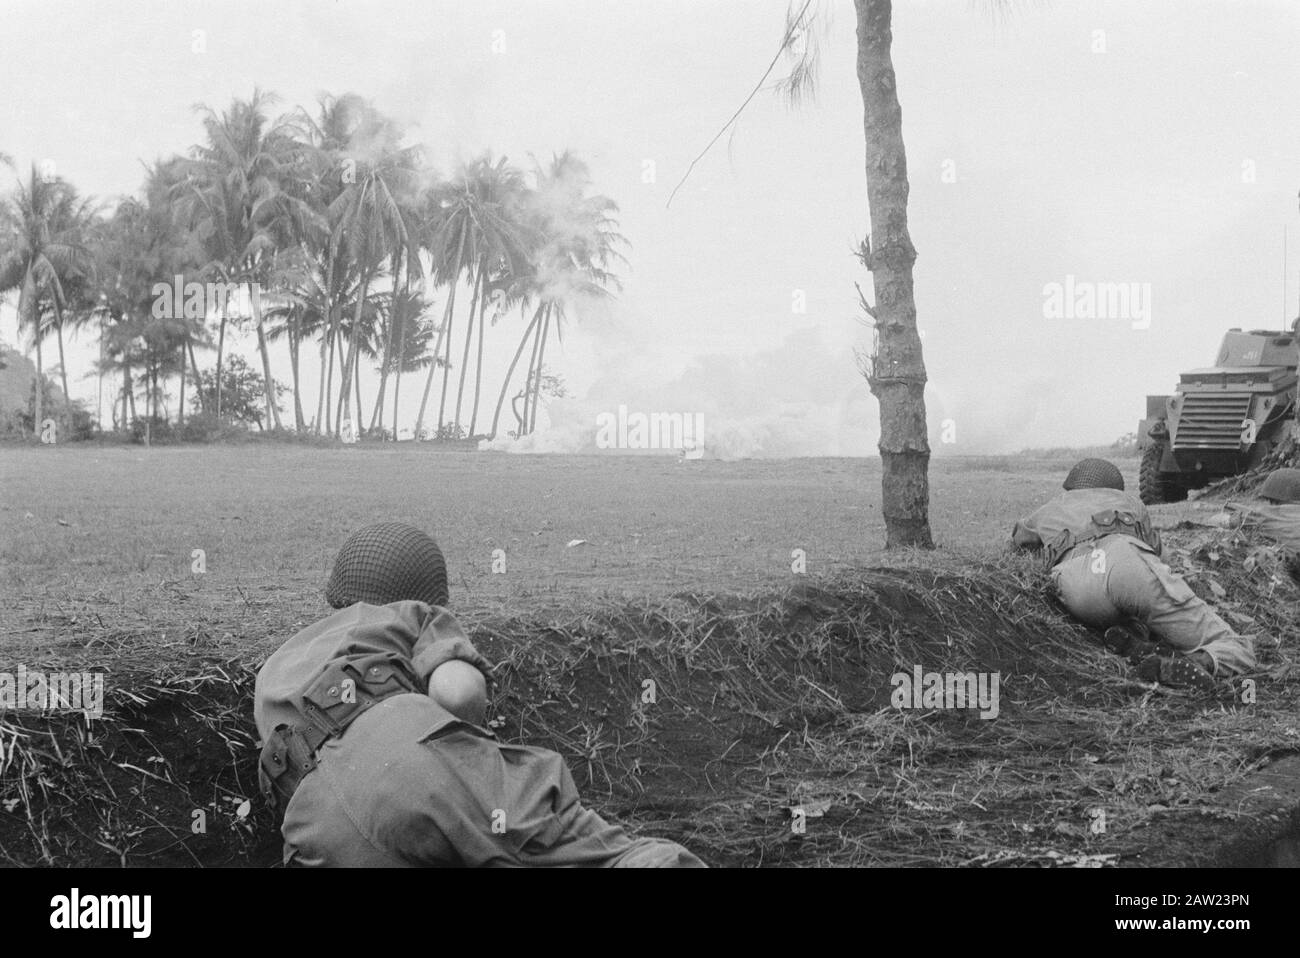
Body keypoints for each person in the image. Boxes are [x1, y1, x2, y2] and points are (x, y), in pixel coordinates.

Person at [254, 521, 705, 868]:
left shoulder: (279, 663)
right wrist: (469, 756)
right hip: (412, 770)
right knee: (605, 854)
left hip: (315, 826)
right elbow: (457, 691)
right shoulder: (411, 614)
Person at [1011, 458, 1256, 691]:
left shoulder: (1046, 510)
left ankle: (1137, 641)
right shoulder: (1128, 502)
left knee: (1126, 608)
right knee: (1238, 647)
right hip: (1123, 560)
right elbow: (1161, 559)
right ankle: (1200, 662)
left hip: (1073, 579)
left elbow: (1015, 552)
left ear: (1070, 487)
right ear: (1115, 487)